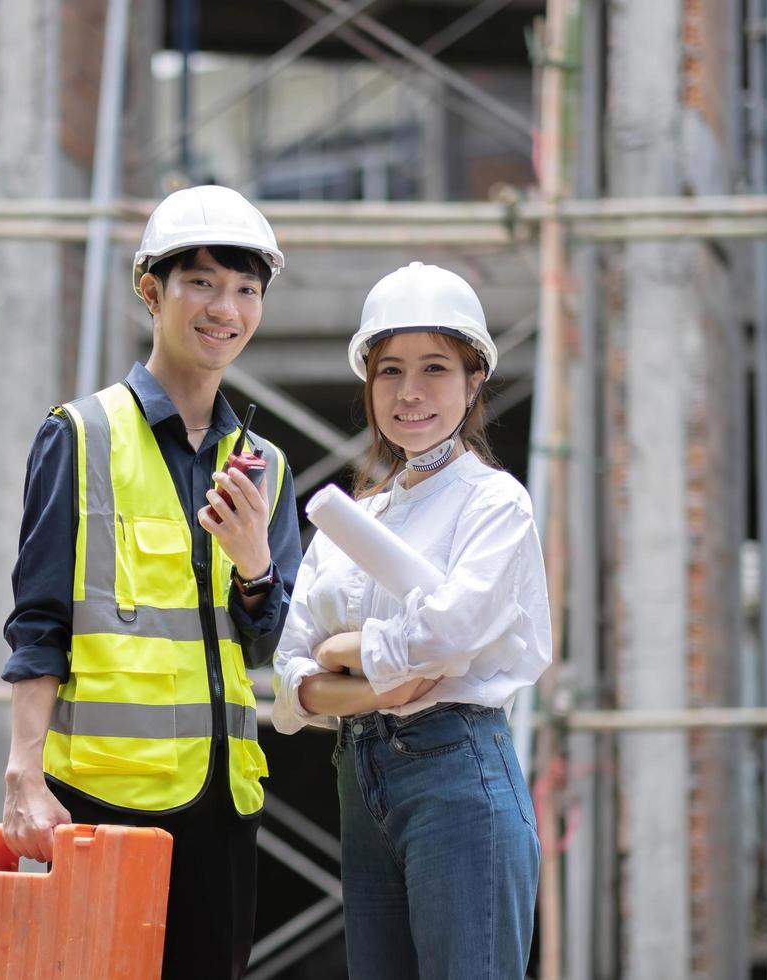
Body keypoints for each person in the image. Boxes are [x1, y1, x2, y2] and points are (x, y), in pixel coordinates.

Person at [0, 184, 304, 980]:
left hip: (221, 801)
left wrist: (254, 565)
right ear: (151, 292)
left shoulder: (265, 466)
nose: (224, 309)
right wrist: (22, 774)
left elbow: (273, 640)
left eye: (245, 289)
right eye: (201, 283)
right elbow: (38, 620)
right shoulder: (82, 435)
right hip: (100, 798)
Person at [271, 261, 551, 979]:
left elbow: (450, 636)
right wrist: (376, 683)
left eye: (434, 367)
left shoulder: (494, 504)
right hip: (359, 776)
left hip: (456, 774)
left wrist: (344, 653)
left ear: (472, 380)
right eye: (389, 370)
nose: (410, 392)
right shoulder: (348, 520)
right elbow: (288, 669)